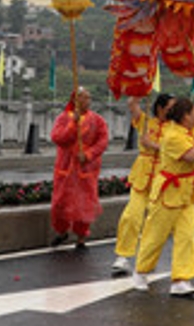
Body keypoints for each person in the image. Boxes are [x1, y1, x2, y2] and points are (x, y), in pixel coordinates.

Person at [132, 97, 194, 297]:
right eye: (193, 112)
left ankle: (181, 279)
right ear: (185, 116)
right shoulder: (173, 135)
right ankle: (140, 271)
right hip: (168, 193)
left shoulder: (189, 129)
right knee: (155, 235)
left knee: (186, 236)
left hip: (186, 192)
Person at [111, 92, 173, 275]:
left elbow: (175, 150)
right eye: (170, 107)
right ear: (160, 108)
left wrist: (152, 145)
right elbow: (132, 104)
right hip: (141, 177)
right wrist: (140, 88)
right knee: (131, 216)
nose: (173, 111)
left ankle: (147, 259)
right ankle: (123, 256)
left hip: (162, 179)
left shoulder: (175, 128)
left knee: (156, 223)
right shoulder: (146, 122)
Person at [49, 87, 110, 248]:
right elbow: (58, 138)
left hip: (86, 169)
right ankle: (61, 231)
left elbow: (103, 141)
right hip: (65, 169)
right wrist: (72, 125)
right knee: (60, 202)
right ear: (75, 100)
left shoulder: (97, 120)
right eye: (84, 98)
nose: (87, 101)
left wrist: (88, 155)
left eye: (89, 98)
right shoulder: (64, 118)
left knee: (85, 203)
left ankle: (81, 236)